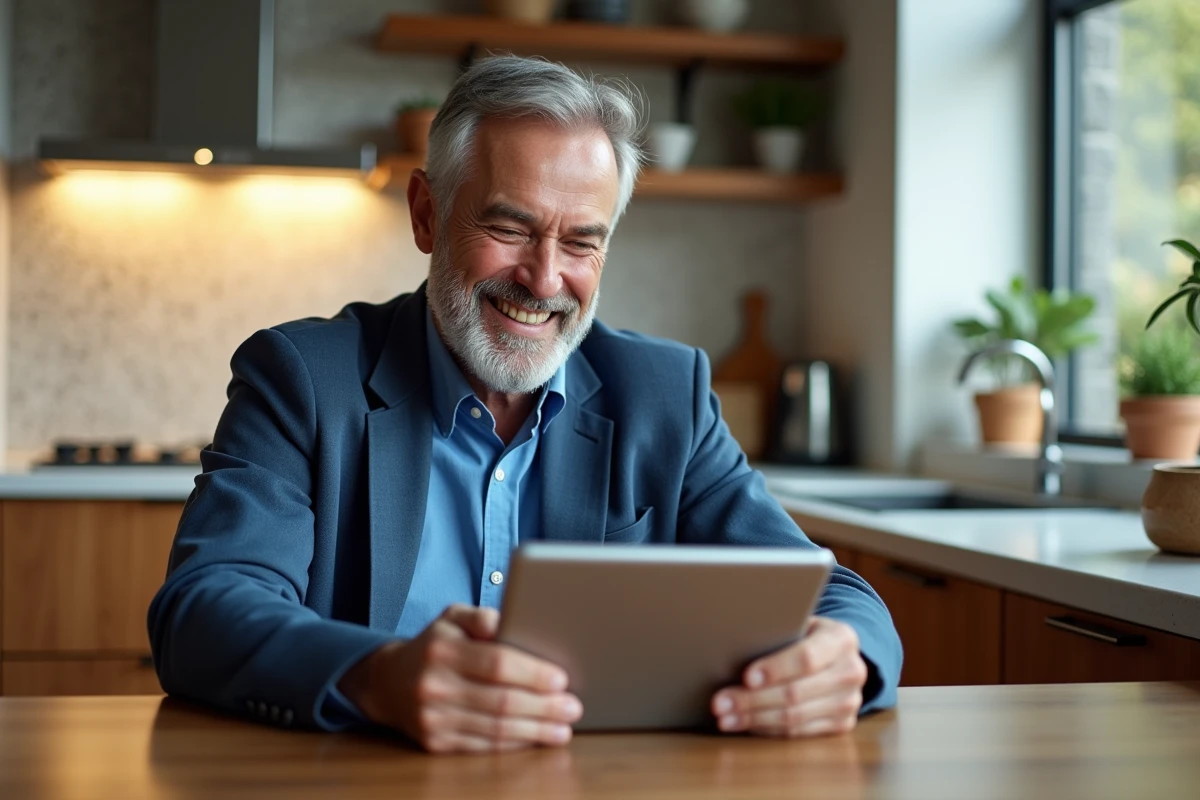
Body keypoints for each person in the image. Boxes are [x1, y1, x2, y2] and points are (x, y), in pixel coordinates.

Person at [148, 55, 902, 754]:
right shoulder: (305, 378)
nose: (544, 280)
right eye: (509, 228)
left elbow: (831, 590)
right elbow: (203, 609)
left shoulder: (664, 394)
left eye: (581, 242)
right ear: (425, 214)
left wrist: (847, 660)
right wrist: (377, 676)